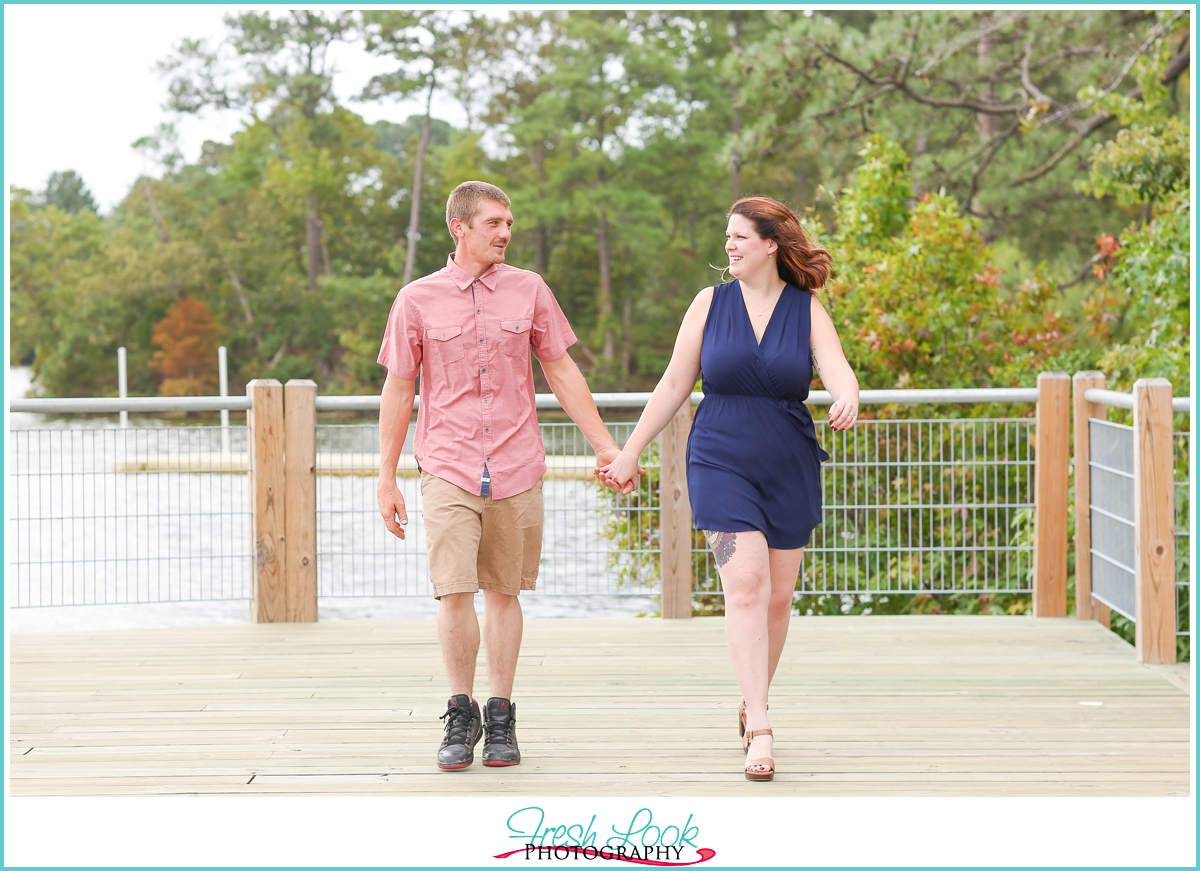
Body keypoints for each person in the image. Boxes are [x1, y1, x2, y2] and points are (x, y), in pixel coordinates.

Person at [599, 196, 859, 781]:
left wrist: (848, 394)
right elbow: (673, 383)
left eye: (740, 236)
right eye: (727, 236)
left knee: (776, 598)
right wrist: (630, 450)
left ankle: (751, 698)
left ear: (771, 244)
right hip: (718, 457)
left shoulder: (806, 308)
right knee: (744, 585)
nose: (730, 246)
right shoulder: (708, 304)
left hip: (788, 462)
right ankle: (761, 727)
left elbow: (838, 367)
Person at [377, 180, 628, 771]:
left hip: (517, 464)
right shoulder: (416, 299)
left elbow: (562, 370)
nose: (506, 233)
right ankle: (459, 714)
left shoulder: (530, 290)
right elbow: (398, 387)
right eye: (494, 223)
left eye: (509, 222)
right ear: (459, 227)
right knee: (454, 589)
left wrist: (607, 448)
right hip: (447, 463)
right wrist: (385, 477)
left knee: (505, 592)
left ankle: (502, 715)